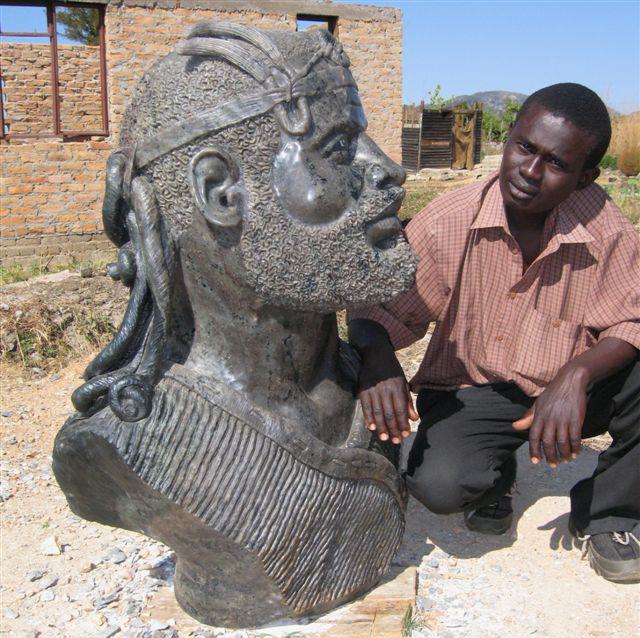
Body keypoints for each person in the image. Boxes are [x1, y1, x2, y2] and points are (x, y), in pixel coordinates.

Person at [53, 22, 417, 626]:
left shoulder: (356, 390)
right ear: (221, 192)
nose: (385, 170)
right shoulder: (129, 438)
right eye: (336, 148)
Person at [348, 83, 640, 584]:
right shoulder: (450, 220)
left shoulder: (605, 225)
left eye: (555, 163)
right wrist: (378, 358)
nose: (529, 172)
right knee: (439, 487)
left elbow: (630, 318)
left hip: (570, 390)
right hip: (477, 388)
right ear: (508, 139)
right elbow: (374, 308)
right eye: (524, 147)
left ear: (585, 178)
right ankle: (495, 475)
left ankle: (610, 514)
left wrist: (575, 376)